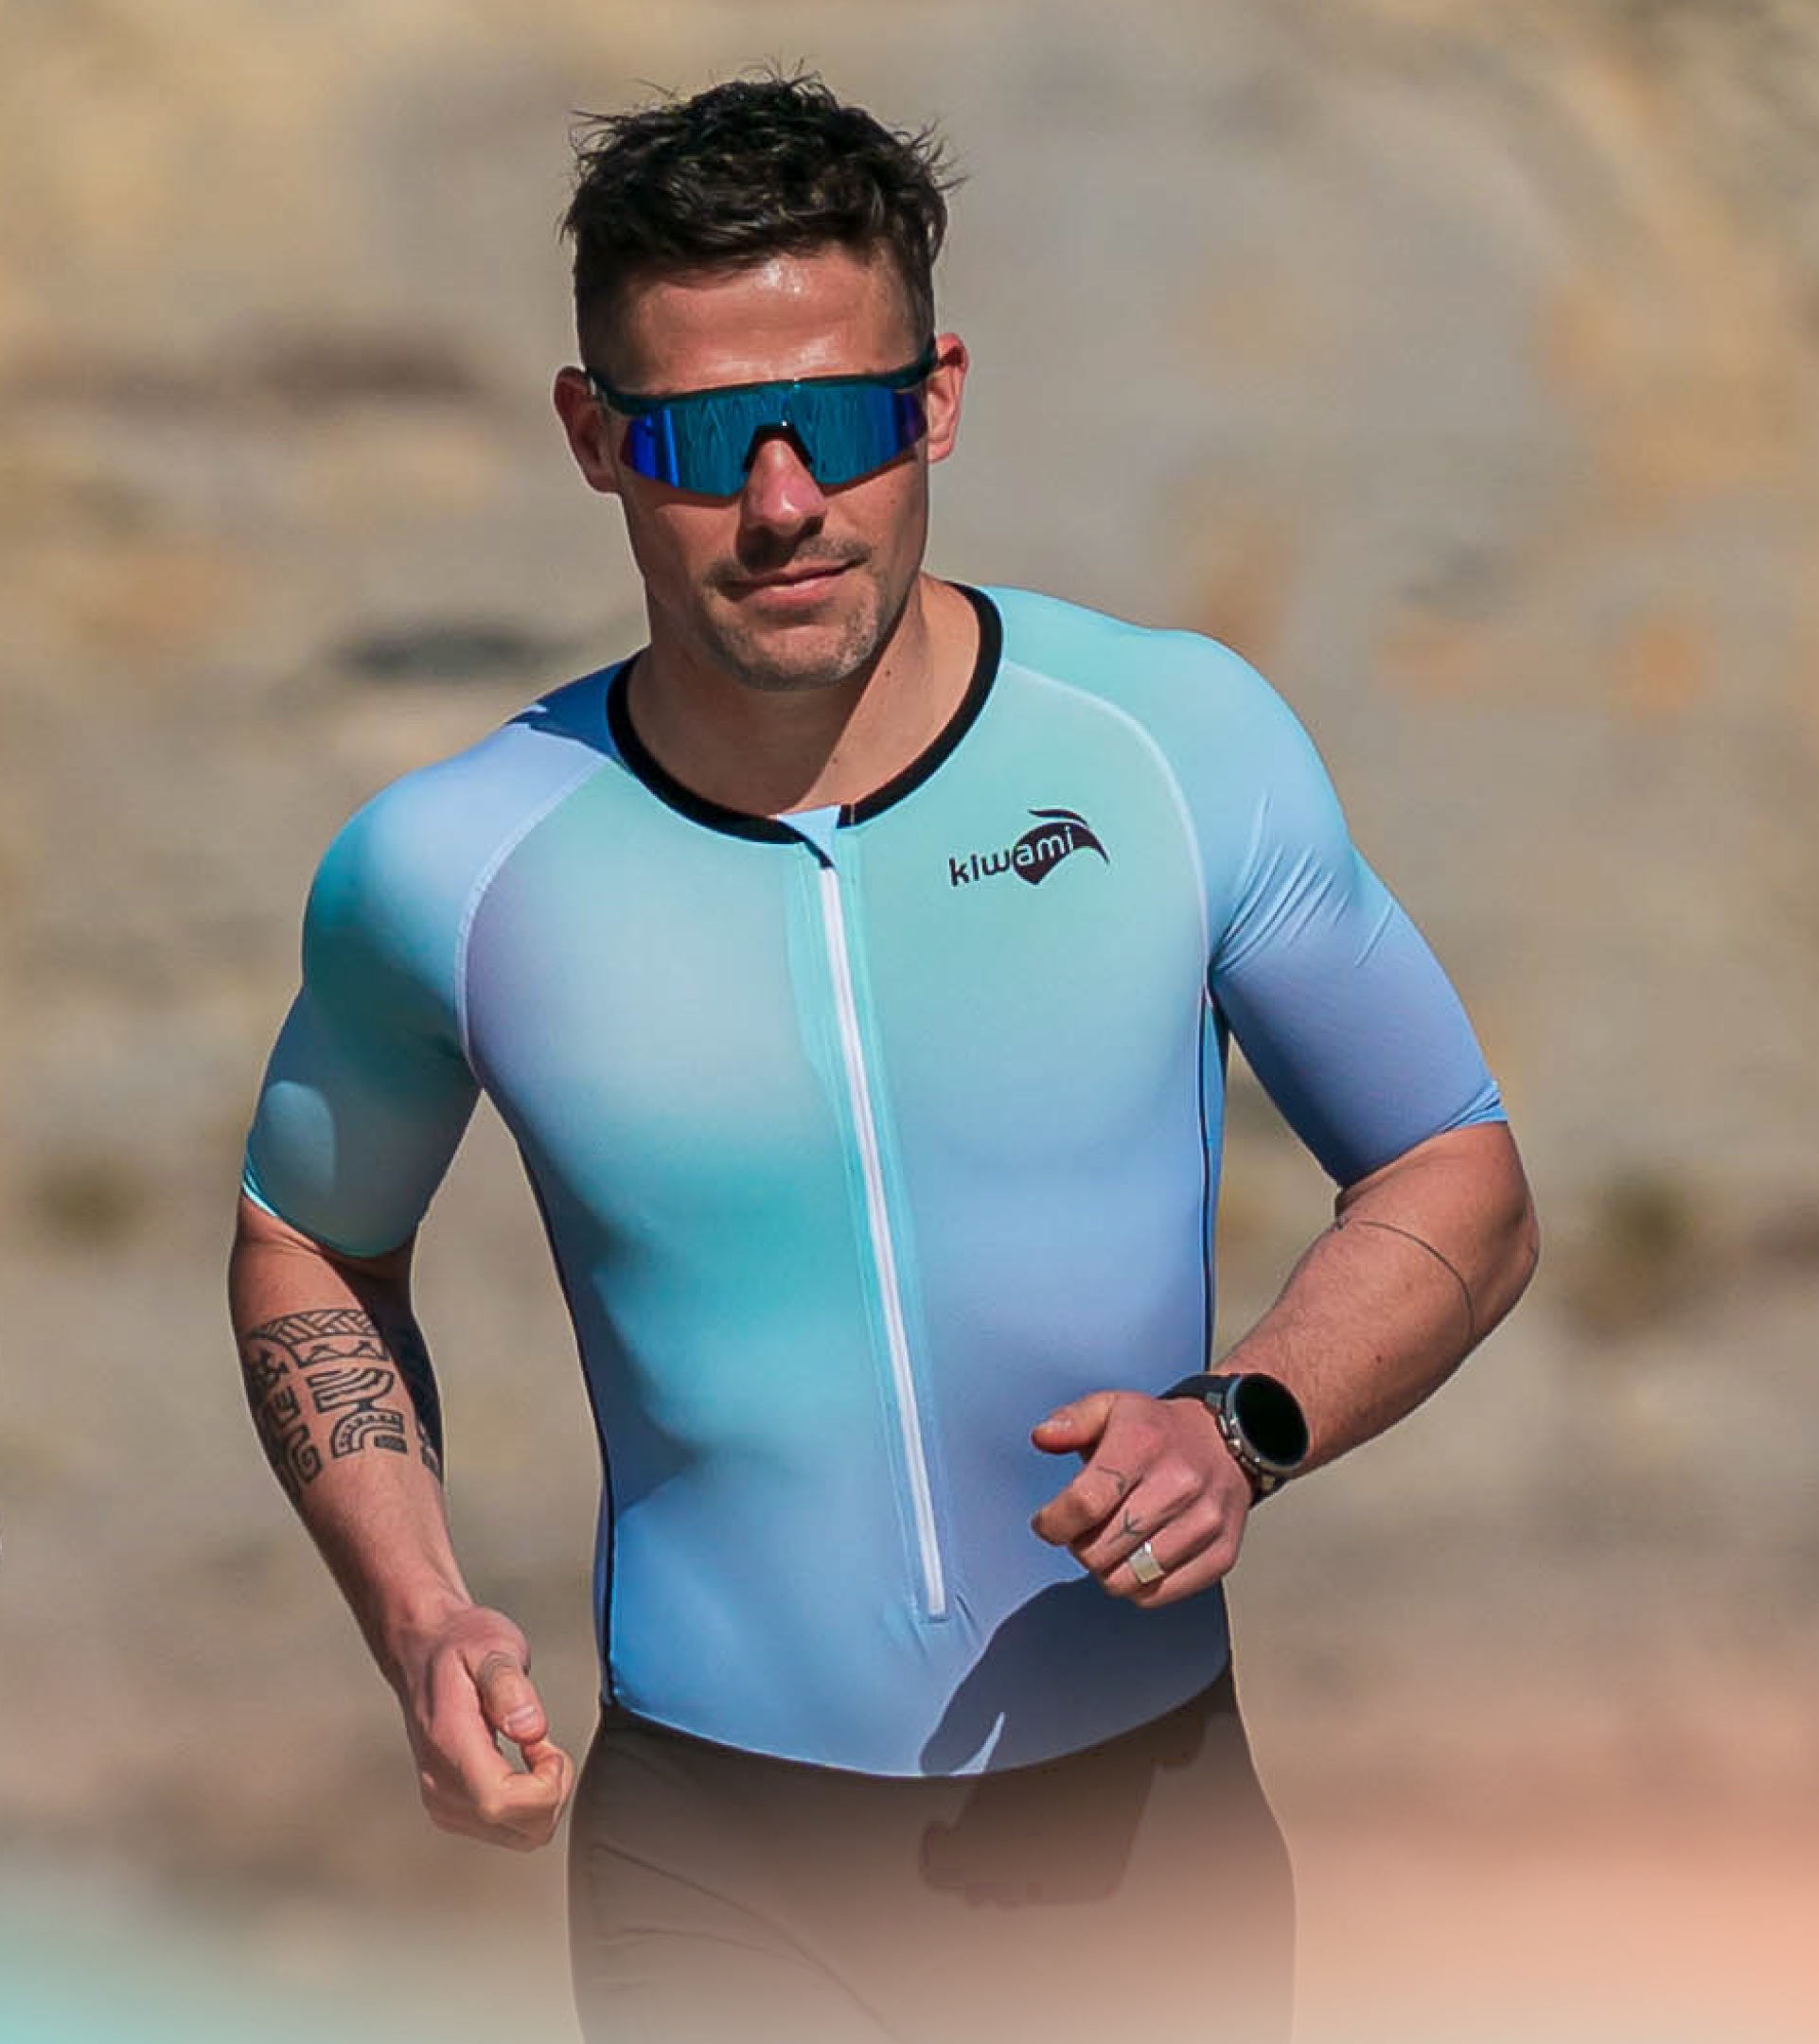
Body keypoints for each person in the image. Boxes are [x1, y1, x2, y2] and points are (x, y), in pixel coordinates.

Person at [232, 70, 1537, 2044]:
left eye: (838, 423)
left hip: (1140, 1846)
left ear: (934, 400)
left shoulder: (1174, 749)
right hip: (712, 1864)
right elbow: (308, 1243)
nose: (781, 503)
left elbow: (1458, 1170)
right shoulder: (451, 865)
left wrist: (1244, 1422)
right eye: (698, 438)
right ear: (591, 437)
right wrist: (418, 1615)